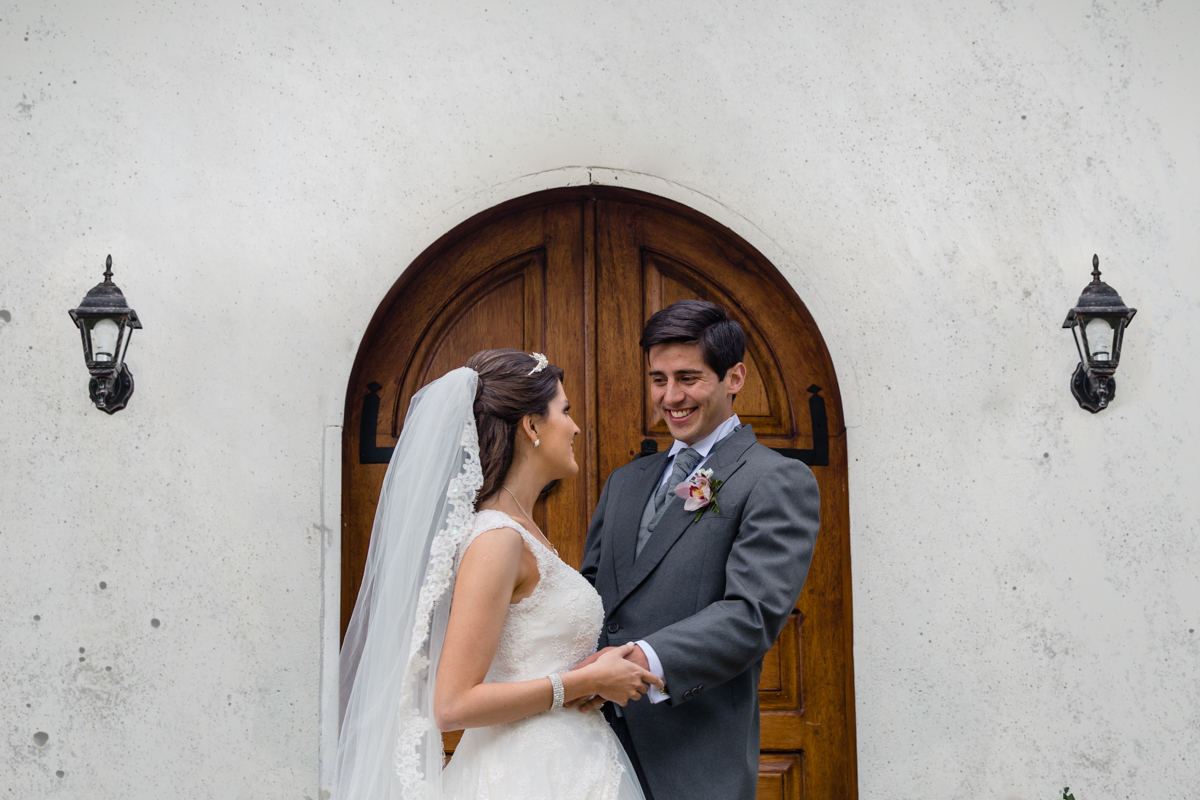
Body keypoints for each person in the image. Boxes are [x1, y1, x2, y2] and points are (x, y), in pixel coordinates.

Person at [335, 349, 659, 800]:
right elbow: (452, 705)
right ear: (531, 426)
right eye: (564, 411)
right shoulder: (497, 538)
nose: (575, 427)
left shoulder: (524, 530)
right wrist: (585, 682)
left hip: (569, 765)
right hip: (526, 777)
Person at [578, 299, 821, 800]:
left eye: (688, 378)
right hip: (596, 750)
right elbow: (590, 594)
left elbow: (751, 614)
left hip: (695, 759)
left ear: (734, 377)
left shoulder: (775, 480)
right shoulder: (624, 482)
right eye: (658, 379)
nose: (670, 397)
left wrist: (641, 658)